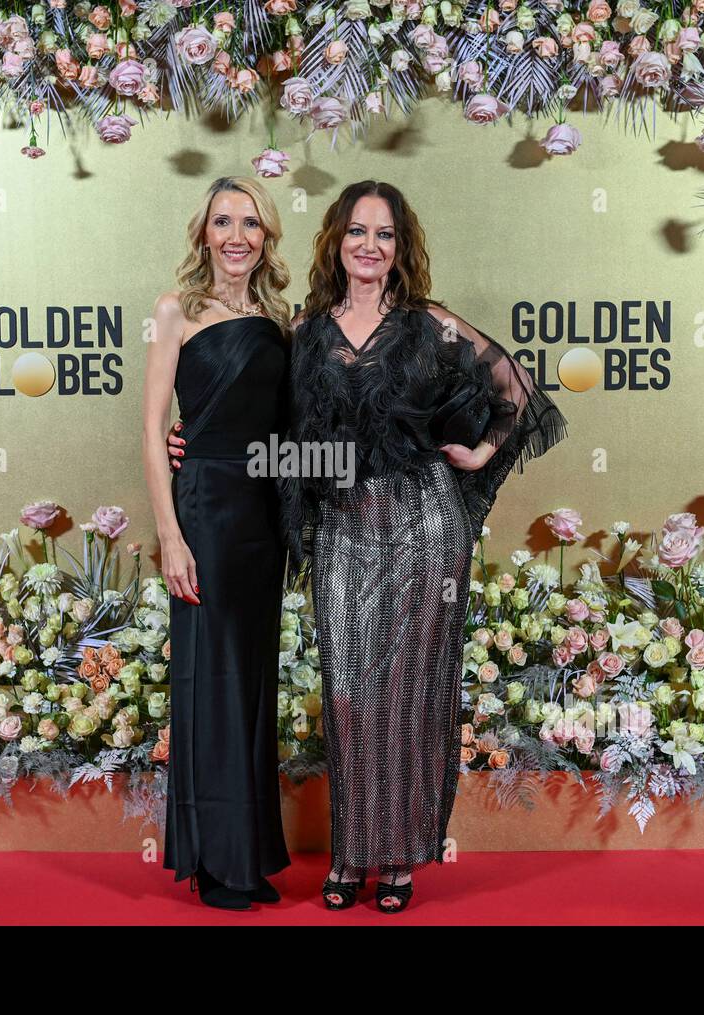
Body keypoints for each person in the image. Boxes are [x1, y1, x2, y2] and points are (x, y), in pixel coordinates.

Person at [172, 180, 569, 913]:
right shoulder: (307, 329)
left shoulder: (428, 324)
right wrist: (202, 446)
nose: (369, 246)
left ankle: (398, 863)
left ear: (399, 249)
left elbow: (514, 384)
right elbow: (281, 431)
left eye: (384, 235)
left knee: (411, 697)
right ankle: (352, 852)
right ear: (337, 241)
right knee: (350, 697)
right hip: (346, 531)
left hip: (423, 527)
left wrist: (481, 452)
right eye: (357, 231)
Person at [142, 176, 294, 910]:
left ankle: (251, 853)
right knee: (208, 678)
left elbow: (289, 434)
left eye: (252, 224)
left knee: (253, 681)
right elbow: (150, 435)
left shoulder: (280, 318)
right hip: (201, 510)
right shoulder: (175, 312)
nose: (238, 236)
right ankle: (212, 860)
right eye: (224, 222)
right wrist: (170, 534)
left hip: (260, 517)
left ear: (267, 237)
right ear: (205, 233)